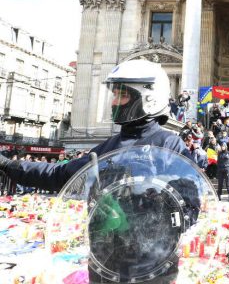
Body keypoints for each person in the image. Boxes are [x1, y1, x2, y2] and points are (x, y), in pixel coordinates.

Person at [0, 59, 191, 283]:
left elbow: (188, 206)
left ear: (148, 97)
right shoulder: (108, 147)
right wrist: (6, 165)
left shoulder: (169, 145)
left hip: (150, 266)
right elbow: (59, 176)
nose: (114, 102)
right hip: (105, 262)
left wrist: (145, 215)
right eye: (114, 95)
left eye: (122, 95)